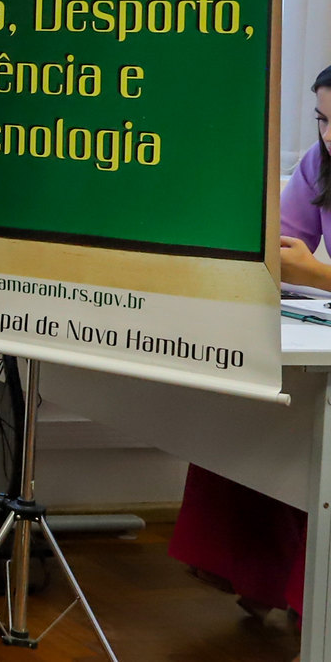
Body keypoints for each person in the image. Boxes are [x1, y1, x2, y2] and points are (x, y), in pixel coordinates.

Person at [168, 64, 331, 624]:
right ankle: (262, 575)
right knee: (248, 398)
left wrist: (320, 275)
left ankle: (315, 614)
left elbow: (309, 270)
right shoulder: (319, 163)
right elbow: (280, 247)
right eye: (322, 120)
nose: (328, 136)